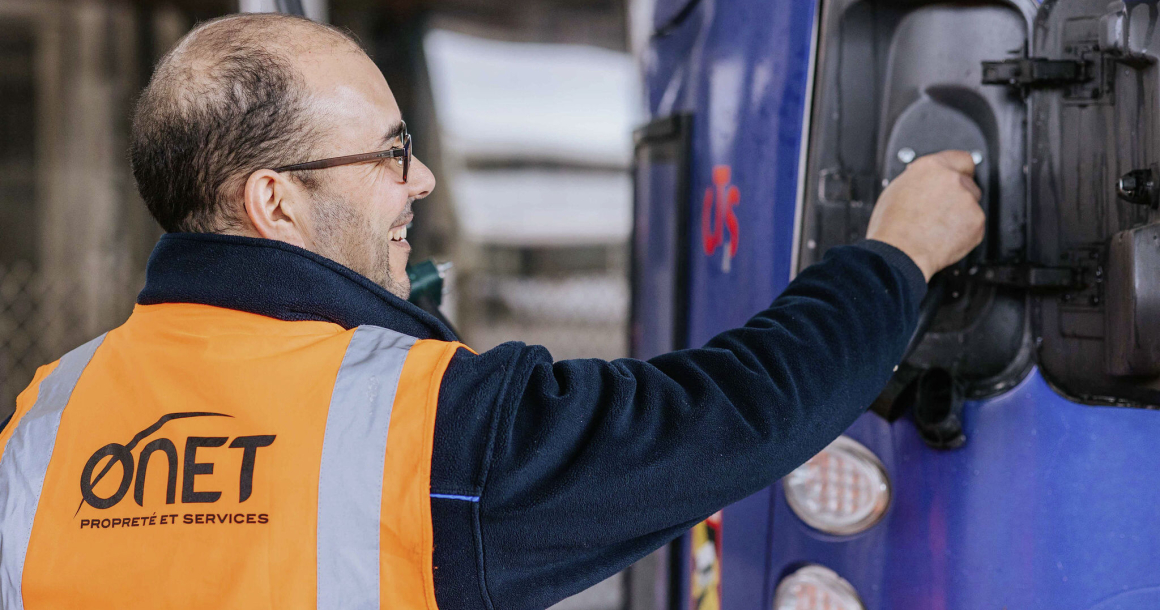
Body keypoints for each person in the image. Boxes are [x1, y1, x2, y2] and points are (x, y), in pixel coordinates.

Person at [0, 12, 984, 610]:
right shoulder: (428, 423)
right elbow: (732, 412)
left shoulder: (46, 416)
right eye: (388, 154)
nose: (420, 178)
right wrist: (896, 254)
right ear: (274, 201)